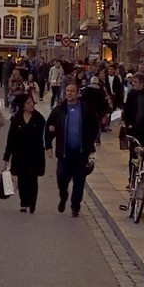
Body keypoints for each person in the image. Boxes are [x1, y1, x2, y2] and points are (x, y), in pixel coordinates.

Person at [47, 78, 99, 216]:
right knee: (61, 177)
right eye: (67, 91)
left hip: (81, 152)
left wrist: (90, 141)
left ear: (77, 94)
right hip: (64, 152)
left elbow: (95, 126)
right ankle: (63, 196)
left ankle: (75, 206)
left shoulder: (85, 109)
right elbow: (49, 126)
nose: (69, 93)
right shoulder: (59, 110)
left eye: (72, 91)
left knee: (79, 180)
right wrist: (48, 145)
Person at [3, 92, 46, 215]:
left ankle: (32, 203)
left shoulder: (39, 118)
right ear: (22, 105)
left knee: (33, 179)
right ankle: (24, 202)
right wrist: (7, 156)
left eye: (32, 102)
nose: (31, 104)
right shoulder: (16, 119)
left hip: (34, 154)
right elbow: (10, 138)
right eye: (28, 103)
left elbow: (43, 136)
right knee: (22, 180)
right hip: (19, 155)